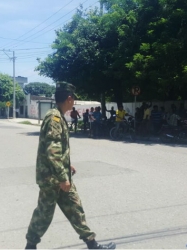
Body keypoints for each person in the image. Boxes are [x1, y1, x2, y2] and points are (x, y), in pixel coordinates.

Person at [25, 82, 116, 250]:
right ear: (69, 98)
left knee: (75, 208)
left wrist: (67, 165)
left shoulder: (57, 115)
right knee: (44, 214)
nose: (74, 101)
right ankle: (30, 246)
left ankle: (92, 243)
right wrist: (62, 177)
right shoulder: (55, 118)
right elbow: (52, 150)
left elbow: (57, 150)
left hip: (59, 175)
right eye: (73, 98)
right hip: (53, 179)